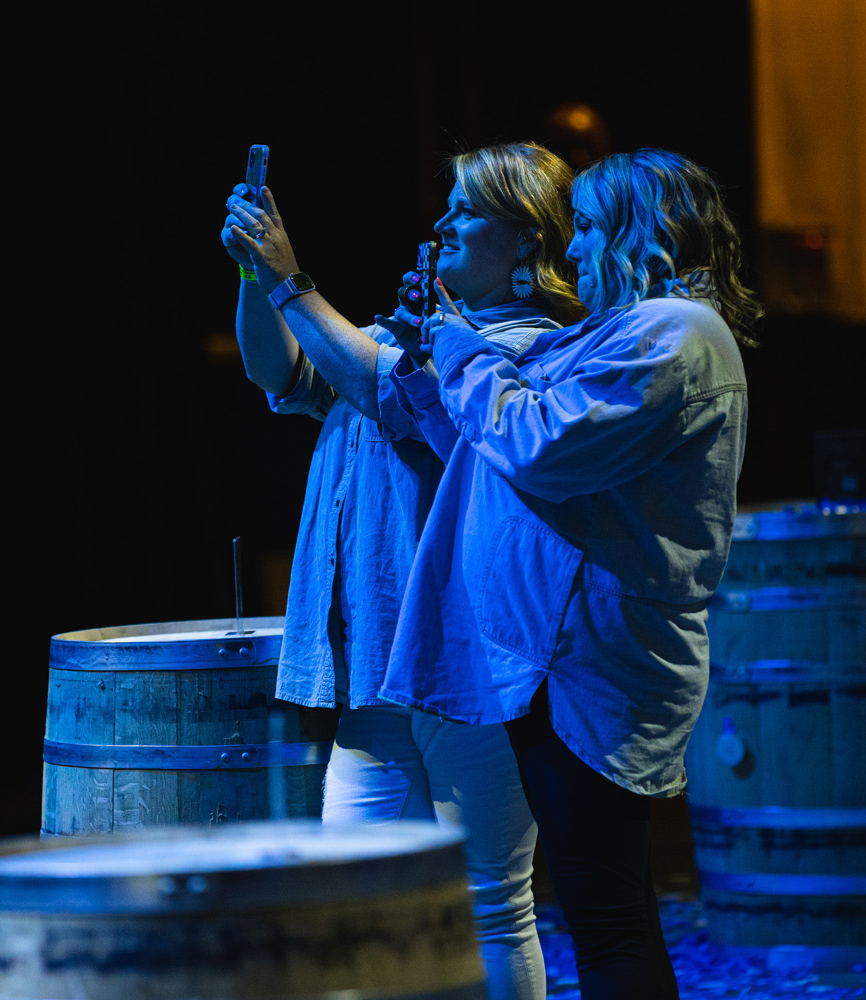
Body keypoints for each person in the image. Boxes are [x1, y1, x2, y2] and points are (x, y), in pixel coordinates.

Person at [378, 148, 760, 998]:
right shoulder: (624, 329)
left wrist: (460, 348)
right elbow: (494, 449)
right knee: (603, 913)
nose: (574, 247)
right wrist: (436, 359)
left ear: (640, 230)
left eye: (587, 227)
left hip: (596, 663)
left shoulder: (678, 334)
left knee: (609, 920)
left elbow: (540, 446)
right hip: (558, 661)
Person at [221, 141, 586, 1000]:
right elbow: (280, 370)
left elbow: (389, 390)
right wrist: (254, 276)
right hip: (376, 668)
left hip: (469, 673)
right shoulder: (401, 337)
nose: (443, 222)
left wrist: (291, 280)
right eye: (445, 205)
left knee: (489, 905)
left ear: (526, 240)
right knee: (356, 902)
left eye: (467, 209)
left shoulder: (534, 350)